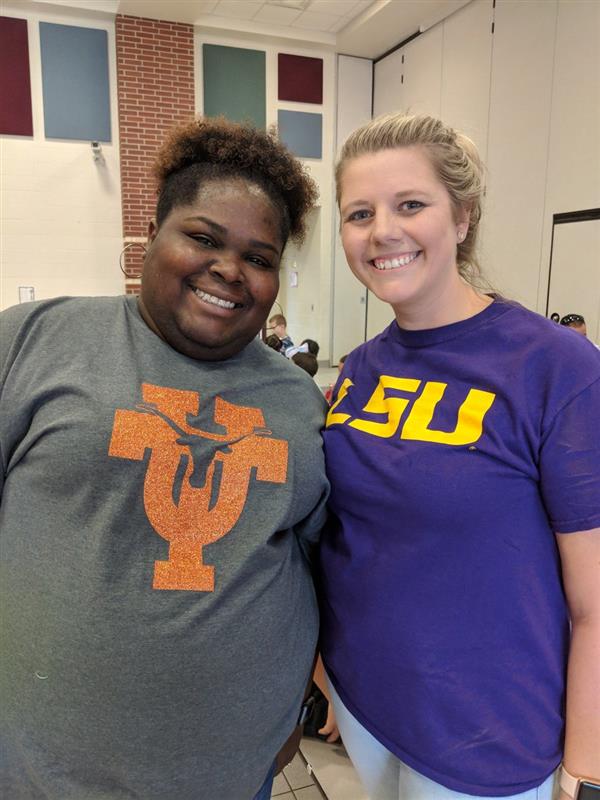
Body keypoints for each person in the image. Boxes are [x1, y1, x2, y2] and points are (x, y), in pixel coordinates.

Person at [0, 117, 330, 800]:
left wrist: (297, 700)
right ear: (151, 233)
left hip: (231, 775)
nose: (230, 270)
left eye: (260, 257)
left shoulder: (299, 403)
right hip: (39, 775)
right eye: (203, 238)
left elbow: (313, 562)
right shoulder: (32, 342)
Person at [318, 113, 600, 800]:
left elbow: (595, 599)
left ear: (463, 216)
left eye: (410, 204)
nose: (382, 230)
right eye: (360, 213)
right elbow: (350, 537)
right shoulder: (360, 369)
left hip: (491, 739)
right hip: (370, 708)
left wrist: (587, 767)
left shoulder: (555, 366)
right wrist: (326, 670)